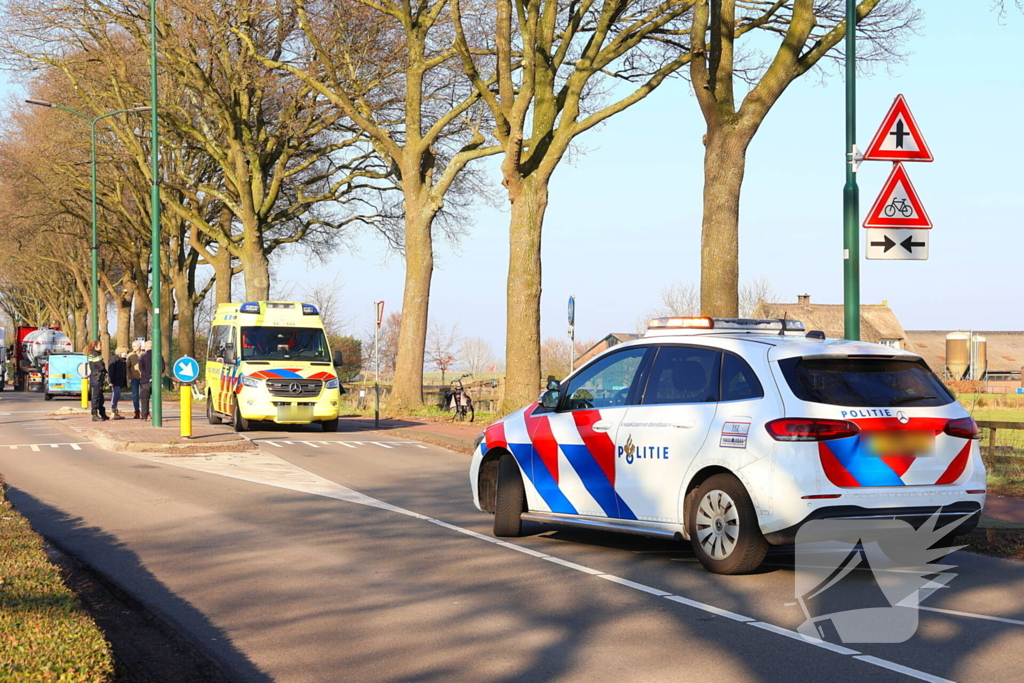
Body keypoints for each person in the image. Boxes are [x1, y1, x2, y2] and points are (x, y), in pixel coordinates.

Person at [85, 341, 109, 422]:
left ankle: (102, 413)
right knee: (96, 397)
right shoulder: (96, 354)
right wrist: (105, 371)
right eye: (100, 345)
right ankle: (95, 415)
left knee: (100, 397)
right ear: (95, 346)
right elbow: (101, 366)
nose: (101, 346)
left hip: (95, 377)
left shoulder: (92, 353)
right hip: (97, 377)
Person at [108, 346, 129, 420]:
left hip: (119, 381)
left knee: (117, 395)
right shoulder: (114, 359)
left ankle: (114, 410)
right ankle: (113, 410)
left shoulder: (123, 360)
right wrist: (111, 381)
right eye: (125, 352)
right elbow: (111, 370)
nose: (126, 354)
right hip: (115, 381)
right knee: (116, 395)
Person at [127, 341, 143, 419]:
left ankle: (146, 412)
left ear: (139, 346)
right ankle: (137, 411)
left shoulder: (144, 354)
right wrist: (130, 376)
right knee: (135, 395)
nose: (133, 347)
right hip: (134, 378)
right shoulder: (130, 355)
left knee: (144, 395)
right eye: (132, 346)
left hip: (143, 378)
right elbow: (127, 367)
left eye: (135, 346)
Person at [139, 340, 153, 421]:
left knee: (144, 399)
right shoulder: (158, 355)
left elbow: (141, 368)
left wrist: (147, 376)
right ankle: (156, 415)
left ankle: (144, 415)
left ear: (146, 347)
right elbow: (162, 367)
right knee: (156, 398)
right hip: (155, 380)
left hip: (145, 380)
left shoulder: (142, 356)